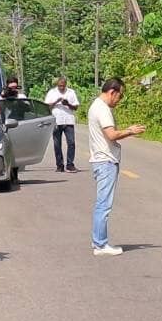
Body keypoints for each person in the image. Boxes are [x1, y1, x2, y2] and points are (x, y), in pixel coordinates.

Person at [87, 77, 145, 256]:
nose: (119, 101)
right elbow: (111, 135)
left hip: (102, 160)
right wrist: (130, 131)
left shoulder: (95, 105)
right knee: (104, 205)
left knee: (102, 204)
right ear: (112, 92)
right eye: (120, 96)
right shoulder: (102, 109)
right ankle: (100, 244)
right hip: (105, 161)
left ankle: (98, 241)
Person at [44, 76, 81, 172]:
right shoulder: (52, 93)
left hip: (68, 121)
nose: (62, 88)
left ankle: (70, 164)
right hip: (56, 121)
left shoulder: (71, 92)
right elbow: (47, 107)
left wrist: (67, 104)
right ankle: (59, 165)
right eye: (60, 86)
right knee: (57, 144)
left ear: (66, 85)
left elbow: (76, 107)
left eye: (63, 86)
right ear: (57, 85)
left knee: (71, 143)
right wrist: (56, 101)